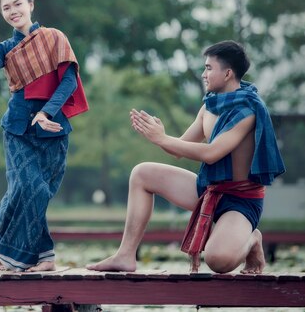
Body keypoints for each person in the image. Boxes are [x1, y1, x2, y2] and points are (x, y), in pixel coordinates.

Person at [87, 40, 285, 274]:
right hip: (208, 188)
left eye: (209, 68)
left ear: (228, 73)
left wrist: (163, 139)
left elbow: (212, 154)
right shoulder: (209, 107)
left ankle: (251, 239)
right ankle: (125, 255)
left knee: (218, 261)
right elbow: (179, 149)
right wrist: (157, 135)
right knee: (141, 174)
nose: (203, 74)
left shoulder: (247, 110)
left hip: (240, 199)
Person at [0, 0, 89, 272]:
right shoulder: (7, 47)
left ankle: (6, 248)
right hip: (18, 127)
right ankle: (44, 257)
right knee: (26, 186)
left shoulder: (55, 37)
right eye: (6, 8)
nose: (12, 11)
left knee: (38, 191)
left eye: (17, 4)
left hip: (52, 125)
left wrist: (46, 113)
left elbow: (69, 80)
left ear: (31, 5)